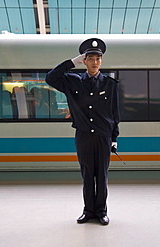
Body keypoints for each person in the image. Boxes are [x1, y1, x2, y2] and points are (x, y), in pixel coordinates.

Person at [46, 38, 120, 225]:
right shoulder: (73, 82)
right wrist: (73, 62)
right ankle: (88, 211)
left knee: (101, 175)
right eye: (90, 58)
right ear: (84, 61)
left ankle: (101, 211)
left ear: (101, 61)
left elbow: (114, 112)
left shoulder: (110, 84)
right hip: (84, 135)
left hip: (103, 136)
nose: (95, 62)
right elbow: (51, 77)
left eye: (98, 59)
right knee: (87, 174)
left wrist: (114, 137)